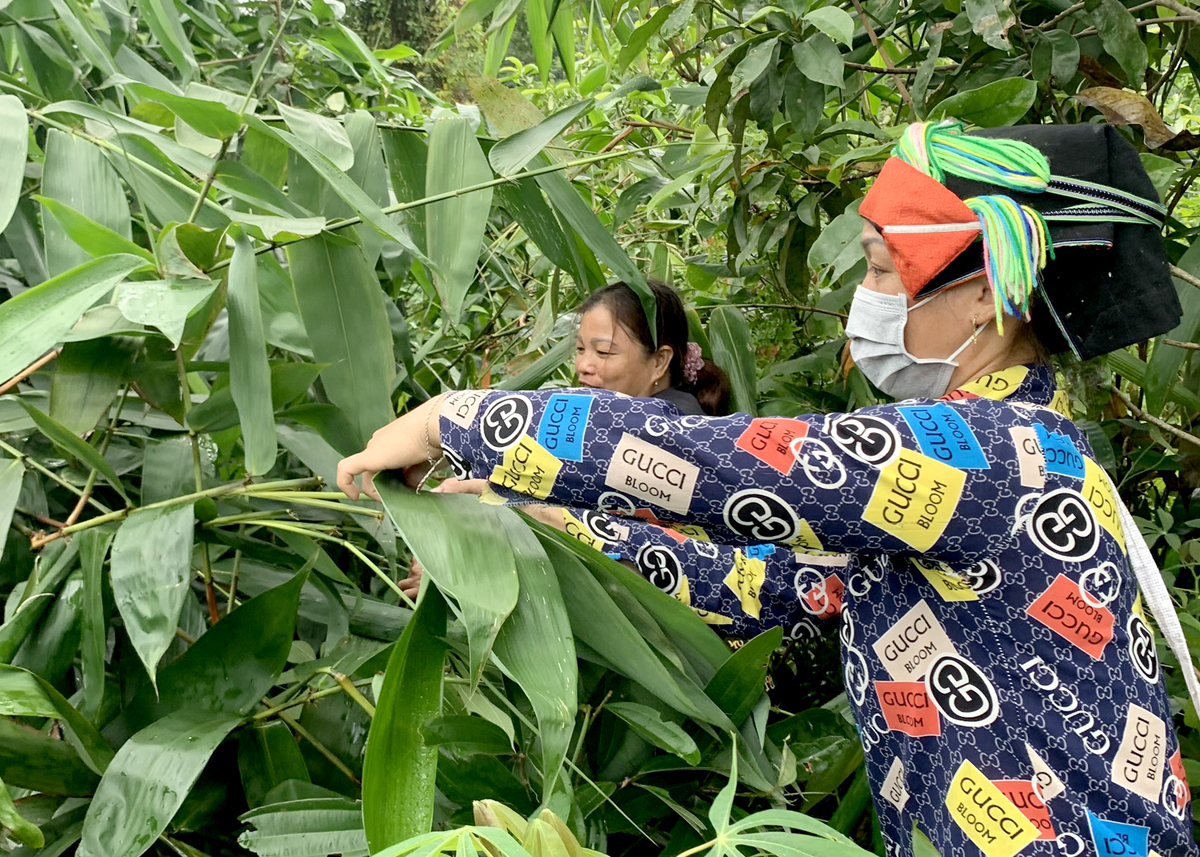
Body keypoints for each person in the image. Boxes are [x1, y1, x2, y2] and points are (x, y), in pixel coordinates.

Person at [339, 121, 1199, 857]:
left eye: (879, 268)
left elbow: (729, 464)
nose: (861, 299)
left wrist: (455, 419)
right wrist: (520, 523)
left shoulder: (988, 454)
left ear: (979, 294)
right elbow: (764, 581)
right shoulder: (993, 455)